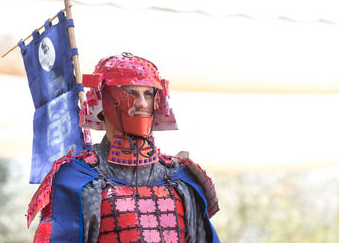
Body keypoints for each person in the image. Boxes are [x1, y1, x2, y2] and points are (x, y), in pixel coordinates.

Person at [27, 52, 220, 243]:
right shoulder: (75, 179)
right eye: (130, 93)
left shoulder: (183, 179)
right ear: (103, 100)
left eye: (148, 94)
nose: (142, 103)